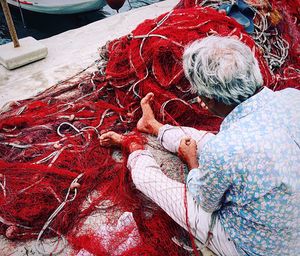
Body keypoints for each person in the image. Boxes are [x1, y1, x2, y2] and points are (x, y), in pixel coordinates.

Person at [100, 36, 300, 256]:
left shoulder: (224, 149)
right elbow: (236, 147)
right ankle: (154, 127)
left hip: (255, 249)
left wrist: (192, 162)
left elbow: (205, 201)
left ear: (209, 98)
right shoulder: (292, 98)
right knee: (208, 141)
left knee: (152, 183)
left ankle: (135, 148)